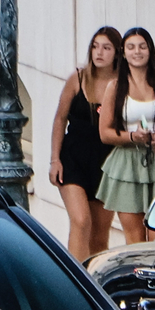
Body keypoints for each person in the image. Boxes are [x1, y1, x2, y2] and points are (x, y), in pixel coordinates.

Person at [96, 26, 155, 243]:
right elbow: (105, 133)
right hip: (127, 164)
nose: (137, 52)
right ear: (123, 52)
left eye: (142, 46)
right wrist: (132, 137)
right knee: (135, 237)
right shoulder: (115, 86)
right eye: (131, 47)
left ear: (150, 50)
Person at [47, 26, 119, 260]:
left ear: (117, 52)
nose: (99, 53)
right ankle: (74, 281)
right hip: (73, 157)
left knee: (99, 234)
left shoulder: (122, 84)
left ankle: (95, 284)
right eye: (95, 46)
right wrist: (55, 159)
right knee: (80, 220)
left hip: (107, 162)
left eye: (106, 48)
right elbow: (60, 118)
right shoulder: (78, 78)